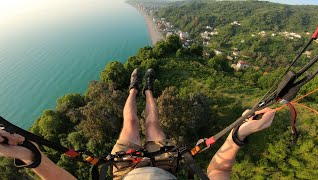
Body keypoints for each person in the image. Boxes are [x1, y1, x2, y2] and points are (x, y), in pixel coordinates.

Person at [0, 68, 276, 180]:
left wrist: (30, 155)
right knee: (153, 119)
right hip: (166, 164)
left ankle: (134, 89)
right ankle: (145, 90)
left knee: (131, 121)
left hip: (125, 167)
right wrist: (239, 132)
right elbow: (220, 169)